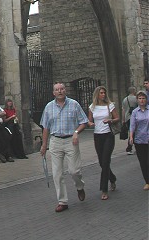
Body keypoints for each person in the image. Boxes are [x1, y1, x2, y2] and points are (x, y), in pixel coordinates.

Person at [40, 83, 88, 212]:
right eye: (57, 90)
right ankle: (62, 201)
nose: (59, 91)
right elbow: (45, 127)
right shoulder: (49, 107)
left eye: (61, 89)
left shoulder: (74, 104)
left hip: (70, 141)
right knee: (57, 173)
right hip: (55, 141)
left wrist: (76, 133)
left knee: (74, 171)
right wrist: (44, 145)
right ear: (53, 93)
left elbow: (84, 122)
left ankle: (79, 186)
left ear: (65, 91)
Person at [88, 86, 119, 200]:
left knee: (106, 161)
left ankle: (104, 189)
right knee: (102, 162)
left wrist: (110, 120)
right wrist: (90, 124)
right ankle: (112, 178)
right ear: (97, 94)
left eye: (104, 93)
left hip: (108, 135)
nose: (103, 95)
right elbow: (89, 120)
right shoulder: (92, 107)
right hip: (97, 136)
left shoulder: (109, 105)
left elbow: (117, 118)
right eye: (101, 93)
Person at [129, 91, 149, 190]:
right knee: (143, 162)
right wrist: (131, 137)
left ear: (146, 99)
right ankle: (147, 181)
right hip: (139, 140)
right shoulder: (135, 112)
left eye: (143, 98)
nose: (142, 100)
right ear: (137, 100)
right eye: (140, 98)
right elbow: (132, 126)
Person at [121, 86, 137, 154]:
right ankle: (129, 147)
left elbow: (123, 110)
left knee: (131, 132)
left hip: (127, 117)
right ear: (133, 91)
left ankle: (130, 148)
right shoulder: (136, 98)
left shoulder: (125, 99)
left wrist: (123, 119)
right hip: (135, 117)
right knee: (134, 133)